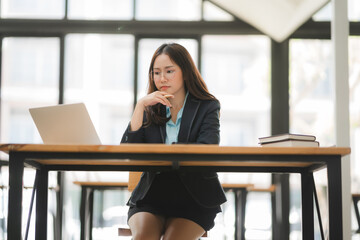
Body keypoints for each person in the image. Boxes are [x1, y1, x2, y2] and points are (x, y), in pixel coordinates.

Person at [121, 43, 226, 240]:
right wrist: (140, 105)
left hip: (194, 197)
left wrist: (168, 152)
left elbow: (208, 148)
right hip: (152, 195)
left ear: (185, 72)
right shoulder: (150, 107)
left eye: (169, 71)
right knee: (142, 237)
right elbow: (128, 152)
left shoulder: (208, 107)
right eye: (156, 72)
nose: (162, 79)